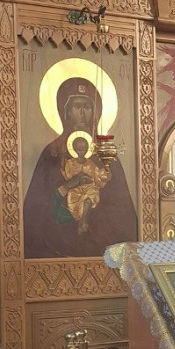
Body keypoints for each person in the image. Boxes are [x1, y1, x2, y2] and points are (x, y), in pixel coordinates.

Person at [23, 76, 137, 257]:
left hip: (101, 247)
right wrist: (68, 186)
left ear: (95, 112)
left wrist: (103, 186)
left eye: (87, 107)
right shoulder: (52, 153)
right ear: (67, 112)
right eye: (77, 107)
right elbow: (37, 206)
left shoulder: (105, 154)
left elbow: (121, 209)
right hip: (59, 244)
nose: (83, 113)